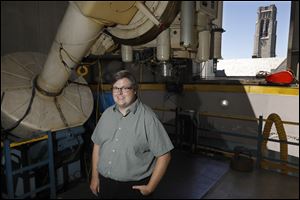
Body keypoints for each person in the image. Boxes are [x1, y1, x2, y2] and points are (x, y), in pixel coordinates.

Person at [90, 70, 174, 199]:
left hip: (132, 188)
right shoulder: (107, 114)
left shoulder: (148, 118)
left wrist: (150, 187)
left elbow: (164, 155)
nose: (120, 93)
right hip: (105, 184)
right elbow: (97, 145)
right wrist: (95, 177)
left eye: (125, 88)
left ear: (135, 90)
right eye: (116, 88)